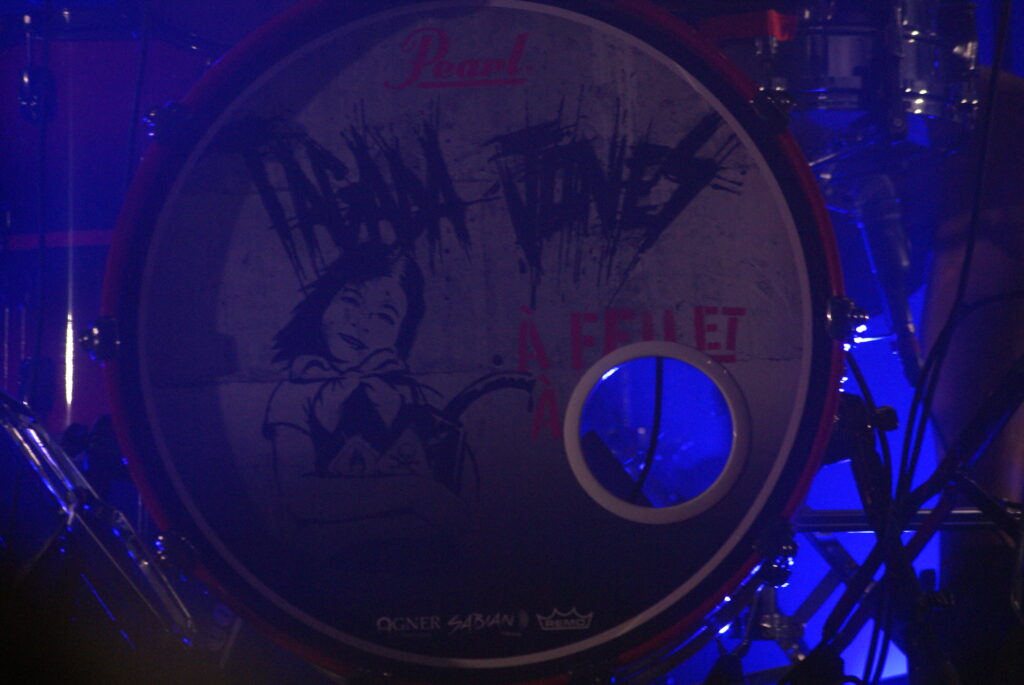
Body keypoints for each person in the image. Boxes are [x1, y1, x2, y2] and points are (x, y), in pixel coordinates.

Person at [261, 242, 473, 552]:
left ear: (402, 333)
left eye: (385, 316)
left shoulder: (407, 394)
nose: (361, 322)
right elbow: (301, 497)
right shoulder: (294, 393)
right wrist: (415, 493)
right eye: (351, 300)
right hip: (325, 557)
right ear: (325, 301)